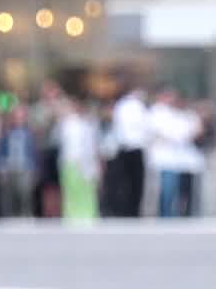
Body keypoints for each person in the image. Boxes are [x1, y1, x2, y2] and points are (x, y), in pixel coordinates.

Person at [148, 87, 204, 218]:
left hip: (178, 160)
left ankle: (177, 215)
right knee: (167, 191)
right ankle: (165, 215)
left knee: (178, 192)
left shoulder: (181, 113)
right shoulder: (157, 111)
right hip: (164, 159)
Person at [109, 86, 149, 217]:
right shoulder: (137, 106)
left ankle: (124, 210)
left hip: (124, 147)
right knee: (134, 182)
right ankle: (132, 210)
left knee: (125, 182)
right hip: (134, 148)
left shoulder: (121, 105)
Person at [58, 99, 101, 221]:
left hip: (86, 162)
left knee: (87, 190)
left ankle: (87, 213)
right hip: (71, 161)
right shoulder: (68, 123)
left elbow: (93, 145)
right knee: (72, 190)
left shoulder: (90, 124)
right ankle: (72, 214)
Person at [0, 105, 37, 218]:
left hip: (25, 167)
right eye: (16, 117)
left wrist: (34, 169)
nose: (18, 120)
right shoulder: (6, 133)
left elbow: (33, 153)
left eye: (21, 117)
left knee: (25, 193)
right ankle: (8, 216)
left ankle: (25, 215)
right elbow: (0, 151)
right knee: (8, 194)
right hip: (8, 167)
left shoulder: (29, 134)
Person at [31, 80, 66, 218]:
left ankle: (60, 211)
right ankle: (48, 213)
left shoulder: (63, 105)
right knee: (47, 184)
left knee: (60, 183)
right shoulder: (38, 108)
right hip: (45, 149)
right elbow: (36, 128)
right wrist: (50, 117)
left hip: (61, 149)